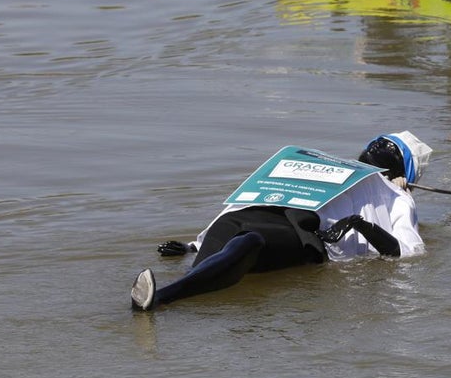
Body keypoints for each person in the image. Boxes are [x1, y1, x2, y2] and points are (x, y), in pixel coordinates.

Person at [130, 131, 432, 311]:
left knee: (249, 243)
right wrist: (192, 246)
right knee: (232, 239)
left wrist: (361, 223)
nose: (376, 153)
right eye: (377, 146)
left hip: (292, 233)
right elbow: (247, 199)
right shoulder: (324, 166)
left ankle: (162, 298)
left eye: (388, 152)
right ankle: (162, 294)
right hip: (240, 218)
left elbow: (408, 252)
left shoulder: (396, 196)